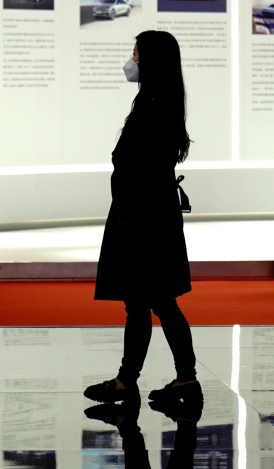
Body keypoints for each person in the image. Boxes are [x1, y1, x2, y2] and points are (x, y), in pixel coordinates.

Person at [84, 30, 198, 406]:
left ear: (151, 60)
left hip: (143, 218)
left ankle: (167, 379)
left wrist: (127, 213)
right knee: (148, 301)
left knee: (154, 301)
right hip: (148, 214)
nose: (131, 61)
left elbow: (137, 166)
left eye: (135, 53)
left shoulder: (154, 105)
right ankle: (135, 378)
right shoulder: (159, 101)